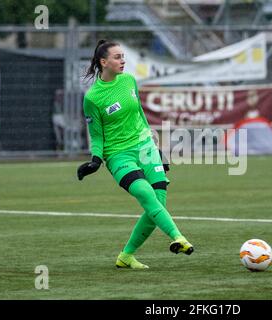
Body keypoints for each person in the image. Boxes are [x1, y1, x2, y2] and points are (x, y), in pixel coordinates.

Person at [78, 39, 194, 269]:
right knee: (145, 194)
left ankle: (126, 256)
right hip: (118, 155)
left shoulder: (130, 81)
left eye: (123, 56)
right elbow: (97, 135)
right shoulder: (92, 98)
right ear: (104, 62)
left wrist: (155, 145)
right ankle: (178, 238)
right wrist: (95, 160)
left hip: (145, 147)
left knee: (158, 200)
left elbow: (140, 113)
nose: (123, 61)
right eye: (117, 57)